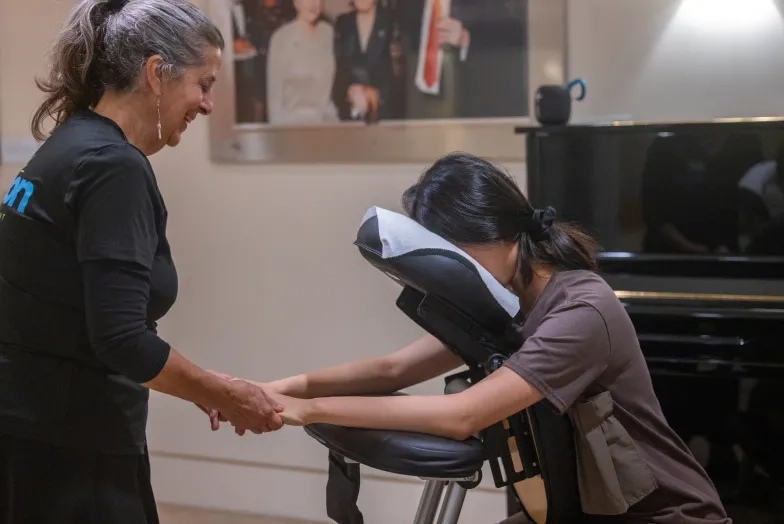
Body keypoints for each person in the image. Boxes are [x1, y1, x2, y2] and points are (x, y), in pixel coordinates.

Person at [207, 153, 733, 523]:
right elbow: (393, 370)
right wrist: (271, 388)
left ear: (491, 233)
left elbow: (463, 415)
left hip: (662, 515)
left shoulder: (581, 311)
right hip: (578, 508)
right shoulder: (509, 306)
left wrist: (311, 410)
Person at [0, 1, 283, 522]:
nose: (208, 103)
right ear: (156, 73)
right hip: (73, 444)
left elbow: (78, 312)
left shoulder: (69, 144)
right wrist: (224, 392)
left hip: (32, 426)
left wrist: (198, 382)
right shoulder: (113, 167)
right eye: (204, 83)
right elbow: (120, 338)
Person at [266, 0, 339, 125]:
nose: (312, 4)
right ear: (296, 2)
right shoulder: (281, 38)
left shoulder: (329, 33)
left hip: (328, 124)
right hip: (293, 126)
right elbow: (274, 97)